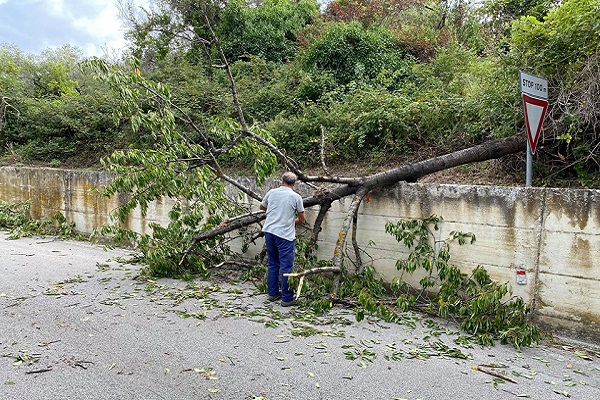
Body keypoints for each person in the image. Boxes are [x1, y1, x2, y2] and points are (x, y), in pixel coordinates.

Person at [259, 171, 305, 307]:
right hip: (284, 235)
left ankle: (272, 294)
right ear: (294, 183)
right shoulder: (296, 197)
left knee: (273, 263)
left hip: (269, 232)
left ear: (282, 181)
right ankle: (287, 298)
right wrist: (292, 221)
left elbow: (262, 207)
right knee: (286, 266)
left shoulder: (272, 192)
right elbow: (302, 219)